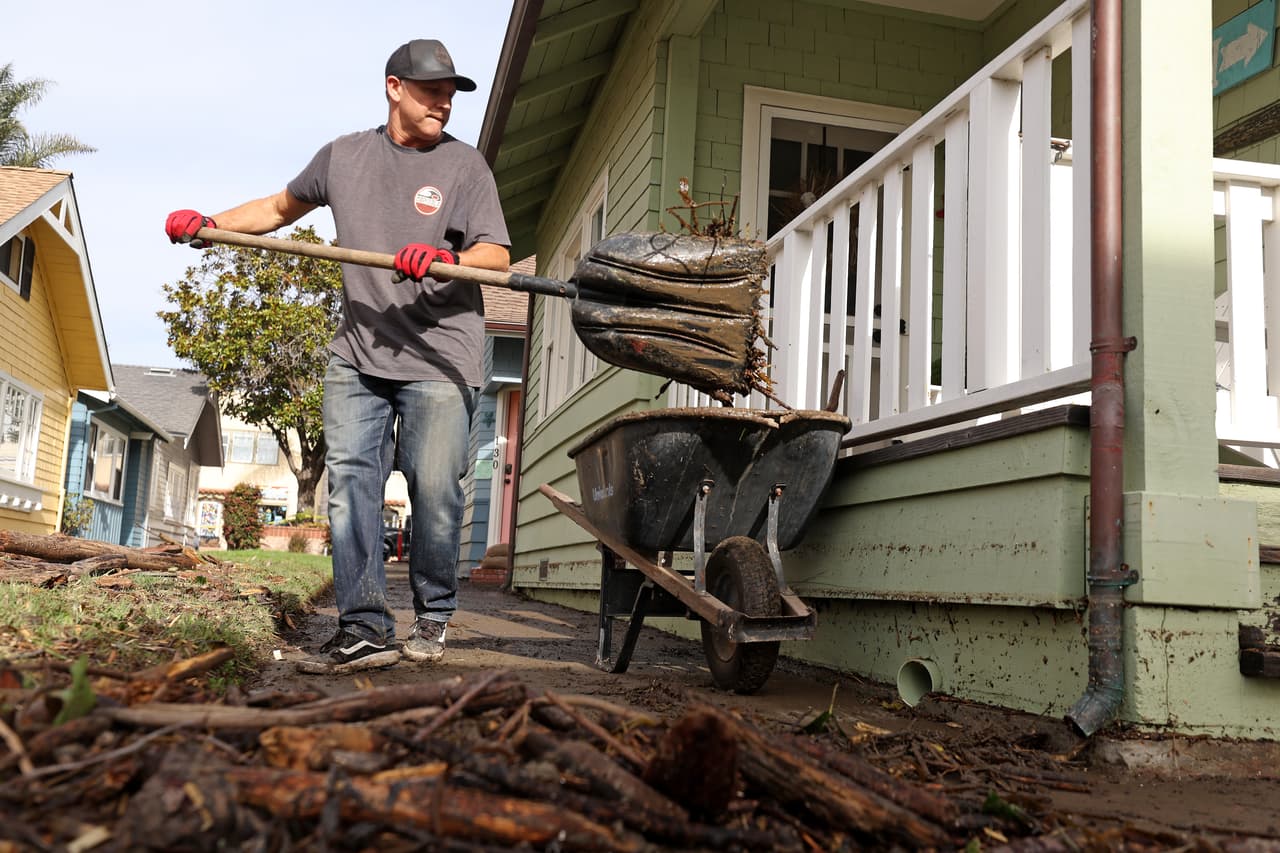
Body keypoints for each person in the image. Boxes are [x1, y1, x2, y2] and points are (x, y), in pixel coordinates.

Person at [165, 39, 511, 675]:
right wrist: (207, 222)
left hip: (440, 355)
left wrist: (446, 260)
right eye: (431, 90)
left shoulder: (465, 168)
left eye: (451, 94)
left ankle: (433, 615)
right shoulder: (343, 156)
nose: (443, 103)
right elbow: (276, 209)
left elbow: (497, 256)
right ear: (393, 87)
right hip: (358, 351)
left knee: (435, 491)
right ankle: (364, 625)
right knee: (351, 486)